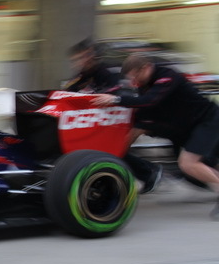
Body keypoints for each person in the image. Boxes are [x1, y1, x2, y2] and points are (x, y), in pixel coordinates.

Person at [93, 53, 219, 218]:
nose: (134, 82)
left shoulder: (167, 76)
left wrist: (116, 100)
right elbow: (141, 117)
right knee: (201, 167)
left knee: (188, 164)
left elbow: (150, 101)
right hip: (185, 128)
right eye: (131, 79)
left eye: (135, 76)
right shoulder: (144, 84)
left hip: (207, 120)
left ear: (146, 68)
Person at [64, 39, 162, 193]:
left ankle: (148, 172)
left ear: (91, 56)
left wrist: (96, 97)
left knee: (111, 149)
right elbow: (67, 93)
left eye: (81, 58)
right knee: (101, 150)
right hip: (97, 120)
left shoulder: (108, 72)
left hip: (121, 116)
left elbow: (118, 91)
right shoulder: (81, 77)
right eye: (75, 60)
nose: (78, 63)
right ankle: (143, 172)